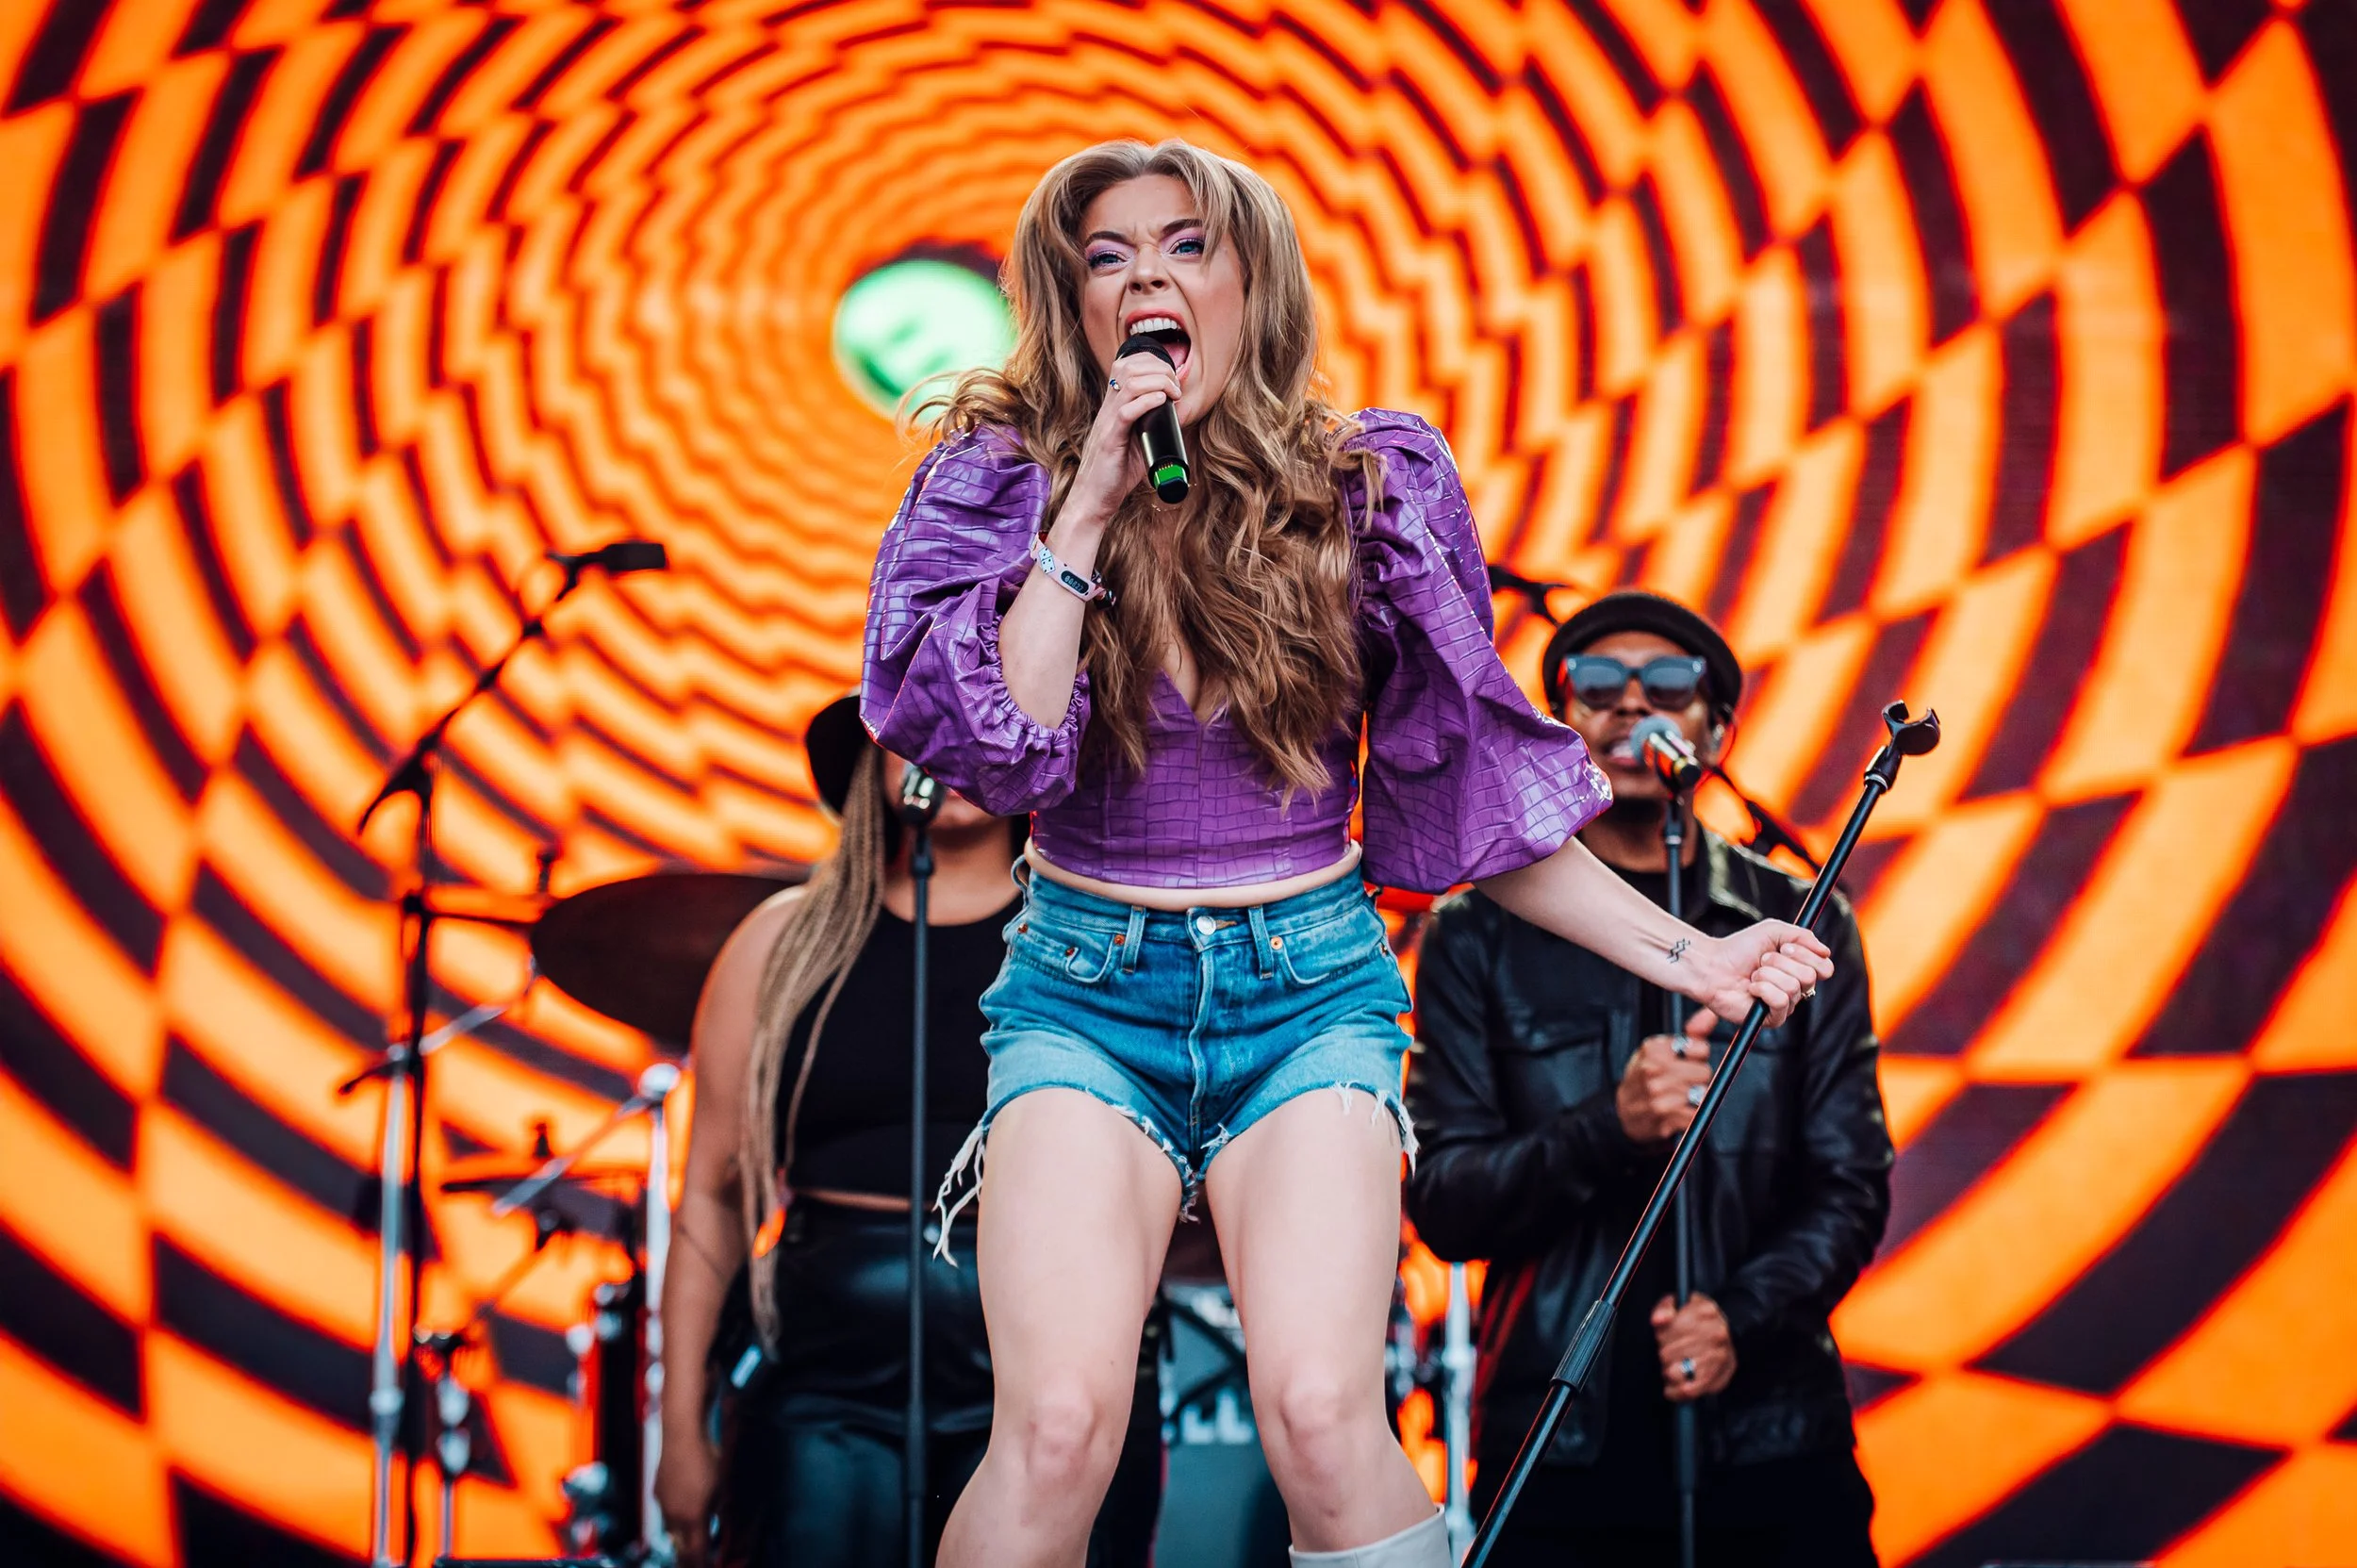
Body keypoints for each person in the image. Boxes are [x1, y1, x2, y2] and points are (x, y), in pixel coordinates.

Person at [860, 139, 1835, 1568]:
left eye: (1185, 246)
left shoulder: (1366, 488)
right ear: (1070, 303)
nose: (1146, 278)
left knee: (1323, 1411)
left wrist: (1700, 950)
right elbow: (999, 751)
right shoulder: (1001, 488)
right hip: (1082, 984)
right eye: (1107, 255)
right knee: (1060, 1422)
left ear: (1253, 280)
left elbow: (1468, 817)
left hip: (1306, 986)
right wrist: (1084, 512)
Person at [1403, 590, 1892, 1567]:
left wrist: (1738, 1319)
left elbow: (1850, 1179)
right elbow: (1443, 1201)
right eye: (1595, 685)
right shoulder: (1475, 932)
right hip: (1554, 1440)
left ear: (1717, 728)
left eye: (1668, 683)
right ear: (1556, 728)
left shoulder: (1801, 919)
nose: (1632, 705)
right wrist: (1605, 1125)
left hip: (1770, 1434)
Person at [652, 695, 1162, 1566]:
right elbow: (710, 1189)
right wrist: (676, 1431)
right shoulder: (778, 946)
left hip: (1051, 1375)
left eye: (972, 721)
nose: (947, 749)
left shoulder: (1099, 943)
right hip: (824, 1380)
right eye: (920, 725)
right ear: (872, 760)